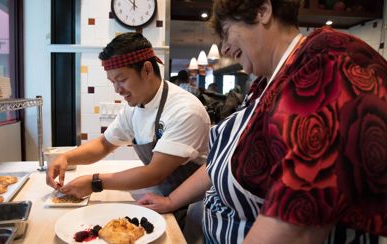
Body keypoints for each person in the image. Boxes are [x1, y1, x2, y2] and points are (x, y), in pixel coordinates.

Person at [137, 0, 387, 243]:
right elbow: (222, 160)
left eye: (226, 33)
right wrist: (171, 201)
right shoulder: (266, 82)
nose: (224, 50)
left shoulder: (327, 62)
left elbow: (300, 221)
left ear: (262, 11)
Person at [46, 33, 210, 203]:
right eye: (113, 82)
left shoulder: (185, 110)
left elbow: (154, 173)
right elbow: (104, 144)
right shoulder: (134, 107)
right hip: (159, 195)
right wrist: (66, 157)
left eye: (122, 79)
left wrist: (95, 182)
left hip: (190, 206)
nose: (117, 89)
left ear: (147, 69)